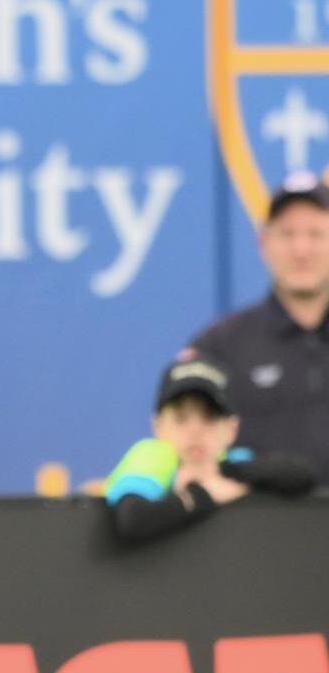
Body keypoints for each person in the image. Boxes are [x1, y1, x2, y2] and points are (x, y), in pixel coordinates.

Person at [184, 171, 329, 479]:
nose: (301, 250)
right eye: (287, 234)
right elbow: (183, 446)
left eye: (316, 234)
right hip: (255, 510)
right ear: (263, 243)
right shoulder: (219, 347)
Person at [105, 359, 314, 543]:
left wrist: (225, 471)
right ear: (158, 426)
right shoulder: (152, 454)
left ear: (232, 429)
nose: (195, 431)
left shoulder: (232, 461)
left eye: (209, 418)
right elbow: (134, 519)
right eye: (181, 418)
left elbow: (300, 476)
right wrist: (205, 494)